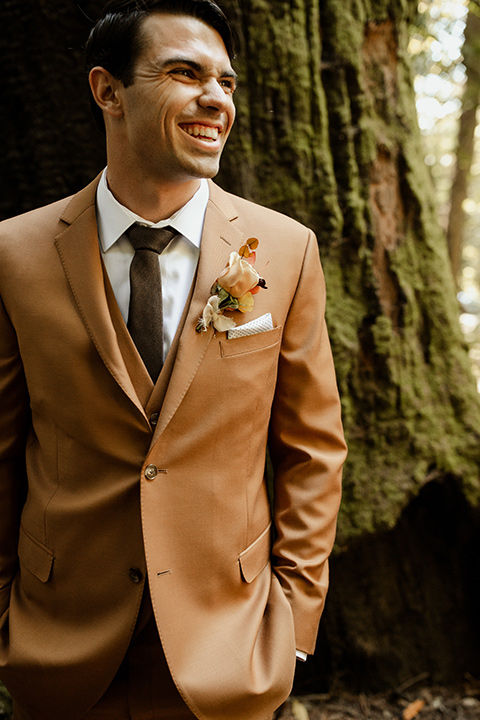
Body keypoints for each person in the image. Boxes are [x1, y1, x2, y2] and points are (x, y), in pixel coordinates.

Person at [0, 1, 347, 718]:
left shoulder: (286, 251)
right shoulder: (13, 255)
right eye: (185, 73)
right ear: (109, 92)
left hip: (232, 650)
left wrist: (294, 624)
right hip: (58, 652)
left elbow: (313, 450)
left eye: (226, 81)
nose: (216, 97)